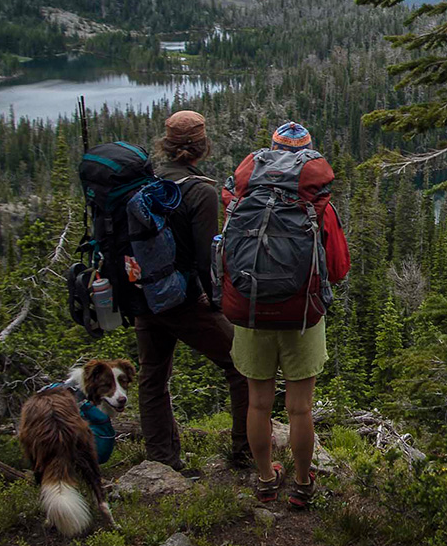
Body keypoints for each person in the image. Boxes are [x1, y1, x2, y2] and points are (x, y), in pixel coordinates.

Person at [221, 121, 350, 509]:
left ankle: (264, 479)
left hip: (252, 311)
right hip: (301, 315)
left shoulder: (240, 202)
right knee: (300, 408)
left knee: (258, 403)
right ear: (308, 156)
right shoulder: (317, 207)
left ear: (271, 153)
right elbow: (340, 268)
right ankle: (302, 483)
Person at [137, 110, 250, 470]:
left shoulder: (147, 182)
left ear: (166, 146)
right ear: (202, 146)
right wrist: (217, 305)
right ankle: (244, 450)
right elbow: (206, 260)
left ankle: (162, 460)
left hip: (145, 294)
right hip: (182, 299)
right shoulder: (199, 190)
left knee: (153, 376)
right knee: (242, 365)